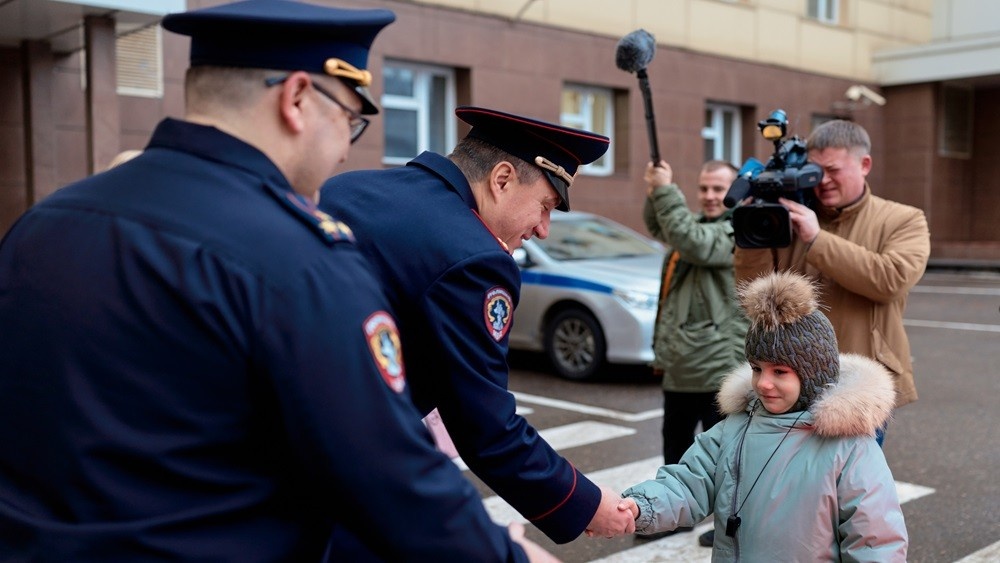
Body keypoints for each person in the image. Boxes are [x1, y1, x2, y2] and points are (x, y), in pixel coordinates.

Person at [0, 2, 557, 561]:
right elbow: (386, 472)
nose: (344, 147)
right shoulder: (301, 260)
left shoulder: (45, 222)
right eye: (348, 120)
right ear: (295, 99)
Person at [318, 106, 636, 543]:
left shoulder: (345, 187)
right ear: (501, 179)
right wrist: (585, 503)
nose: (543, 229)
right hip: (347, 473)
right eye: (545, 206)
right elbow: (486, 427)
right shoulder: (476, 257)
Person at [618, 271, 909, 561]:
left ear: (813, 374)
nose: (763, 383)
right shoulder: (734, 428)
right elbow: (688, 482)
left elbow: (875, 541)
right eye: (757, 368)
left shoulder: (849, 447)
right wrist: (641, 506)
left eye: (780, 372)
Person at [733, 119, 930, 447]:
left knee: (852, 490)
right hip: (789, 381)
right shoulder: (789, 217)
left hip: (860, 385)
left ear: (864, 164)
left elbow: (891, 279)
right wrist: (753, 231)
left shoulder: (904, 219)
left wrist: (816, 239)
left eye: (833, 169)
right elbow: (754, 294)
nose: (822, 180)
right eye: (813, 171)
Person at [638, 159, 749, 542]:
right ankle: (671, 514)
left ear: (735, 192)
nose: (709, 196)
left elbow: (693, 243)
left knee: (723, 457)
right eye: (703, 188)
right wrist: (657, 191)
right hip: (682, 363)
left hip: (718, 366)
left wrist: (667, 192)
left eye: (718, 189)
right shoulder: (697, 226)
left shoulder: (738, 230)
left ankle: (727, 526)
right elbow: (664, 226)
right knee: (675, 447)